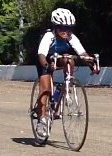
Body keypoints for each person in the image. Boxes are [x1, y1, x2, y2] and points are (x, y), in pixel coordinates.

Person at [33, 8, 99, 138]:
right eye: (62, 27)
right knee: (45, 89)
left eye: (69, 28)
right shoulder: (48, 36)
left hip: (59, 58)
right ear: (55, 26)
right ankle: (42, 120)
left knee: (69, 58)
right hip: (45, 60)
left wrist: (91, 63)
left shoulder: (71, 37)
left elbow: (82, 53)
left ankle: (67, 85)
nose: (66, 31)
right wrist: (47, 66)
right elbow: (41, 55)